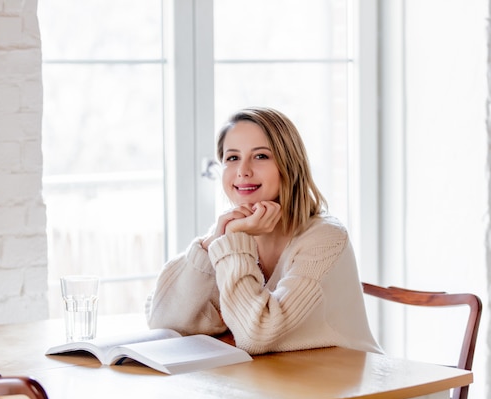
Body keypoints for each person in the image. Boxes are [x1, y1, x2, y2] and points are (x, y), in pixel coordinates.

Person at [146, 106, 381, 355]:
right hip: (280, 383)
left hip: (355, 385)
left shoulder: (325, 238)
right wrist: (209, 245)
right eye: (232, 157)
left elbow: (256, 335)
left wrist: (234, 240)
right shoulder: (235, 232)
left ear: (288, 165)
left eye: (260, 156)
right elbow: (165, 323)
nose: (243, 171)